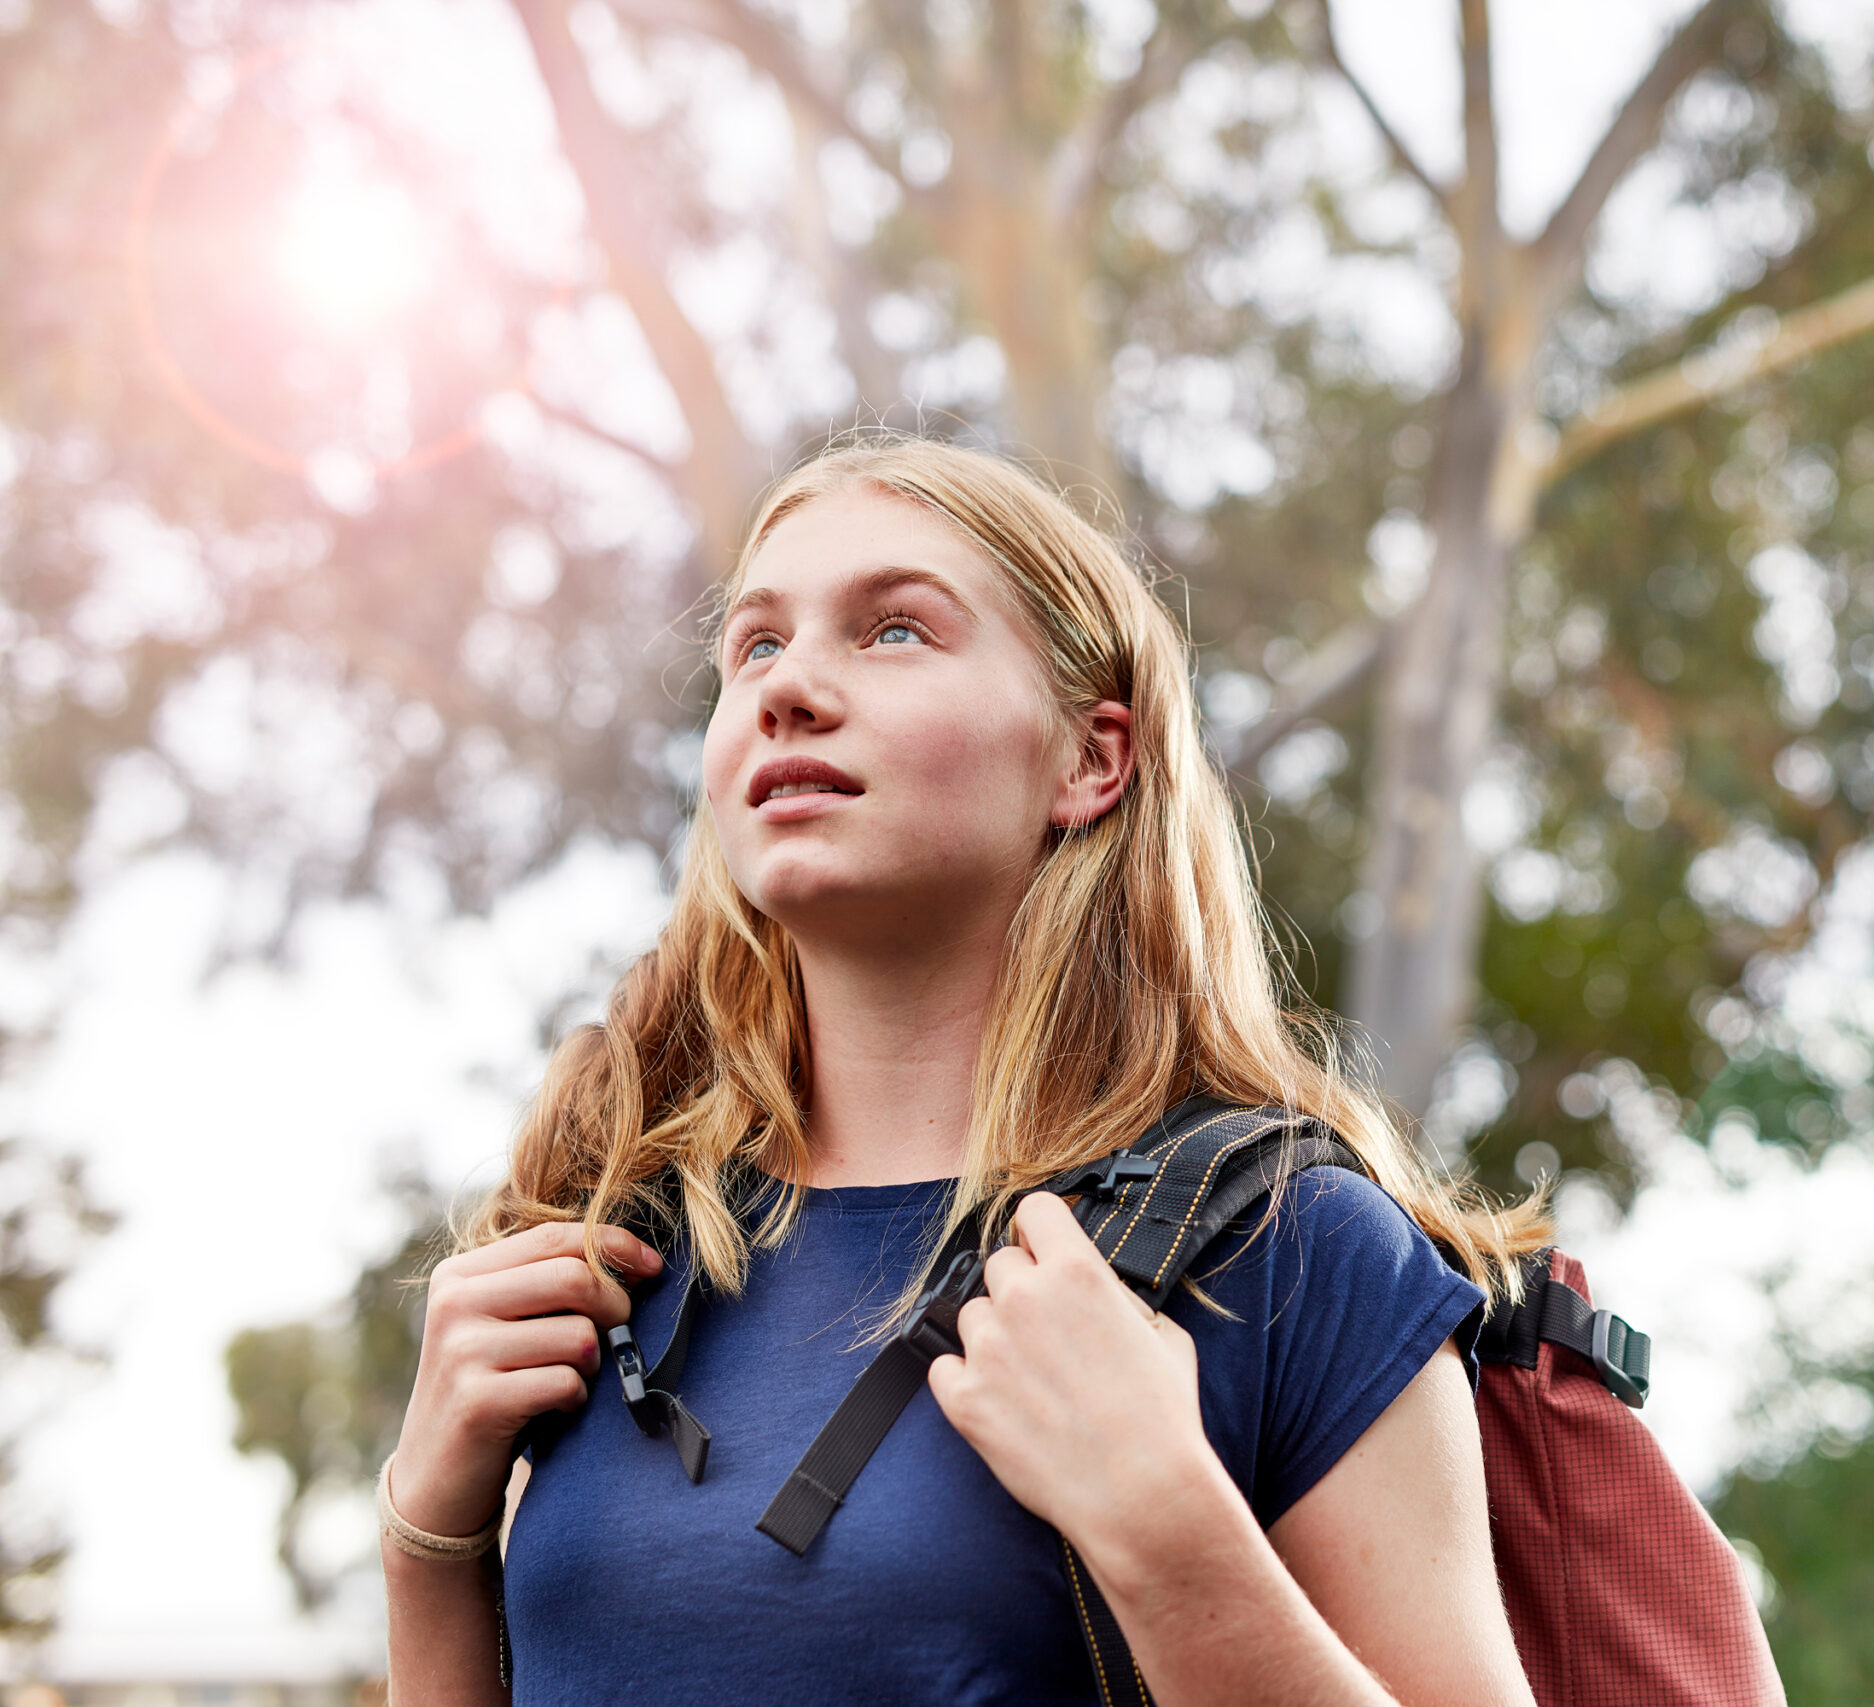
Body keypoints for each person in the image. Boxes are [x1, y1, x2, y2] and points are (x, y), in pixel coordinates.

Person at [378, 434, 1550, 1704]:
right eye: (755, 647)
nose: (787, 689)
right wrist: (424, 1544)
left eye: (892, 633)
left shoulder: (1285, 1243)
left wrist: (1169, 1533)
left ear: (1088, 761)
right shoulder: (617, 1237)